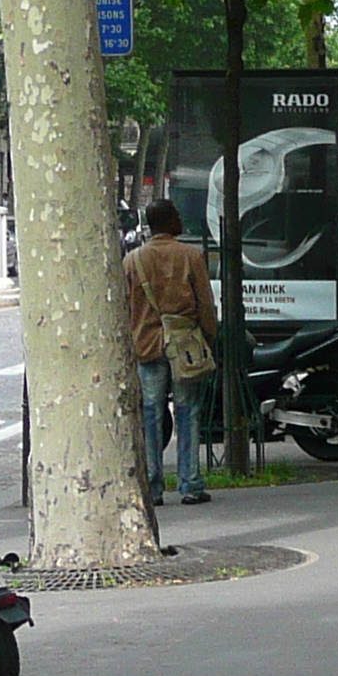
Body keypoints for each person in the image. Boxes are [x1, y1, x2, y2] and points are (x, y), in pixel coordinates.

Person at [122, 201, 219, 507]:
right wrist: (209, 337)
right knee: (187, 411)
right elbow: (205, 303)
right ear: (170, 221)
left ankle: (153, 485)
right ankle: (189, 483)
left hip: (147, 345)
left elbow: (125, 308)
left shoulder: (132, 260)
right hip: (185, 345)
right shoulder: (191, 256)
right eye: (177, 216)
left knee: (150, 414)